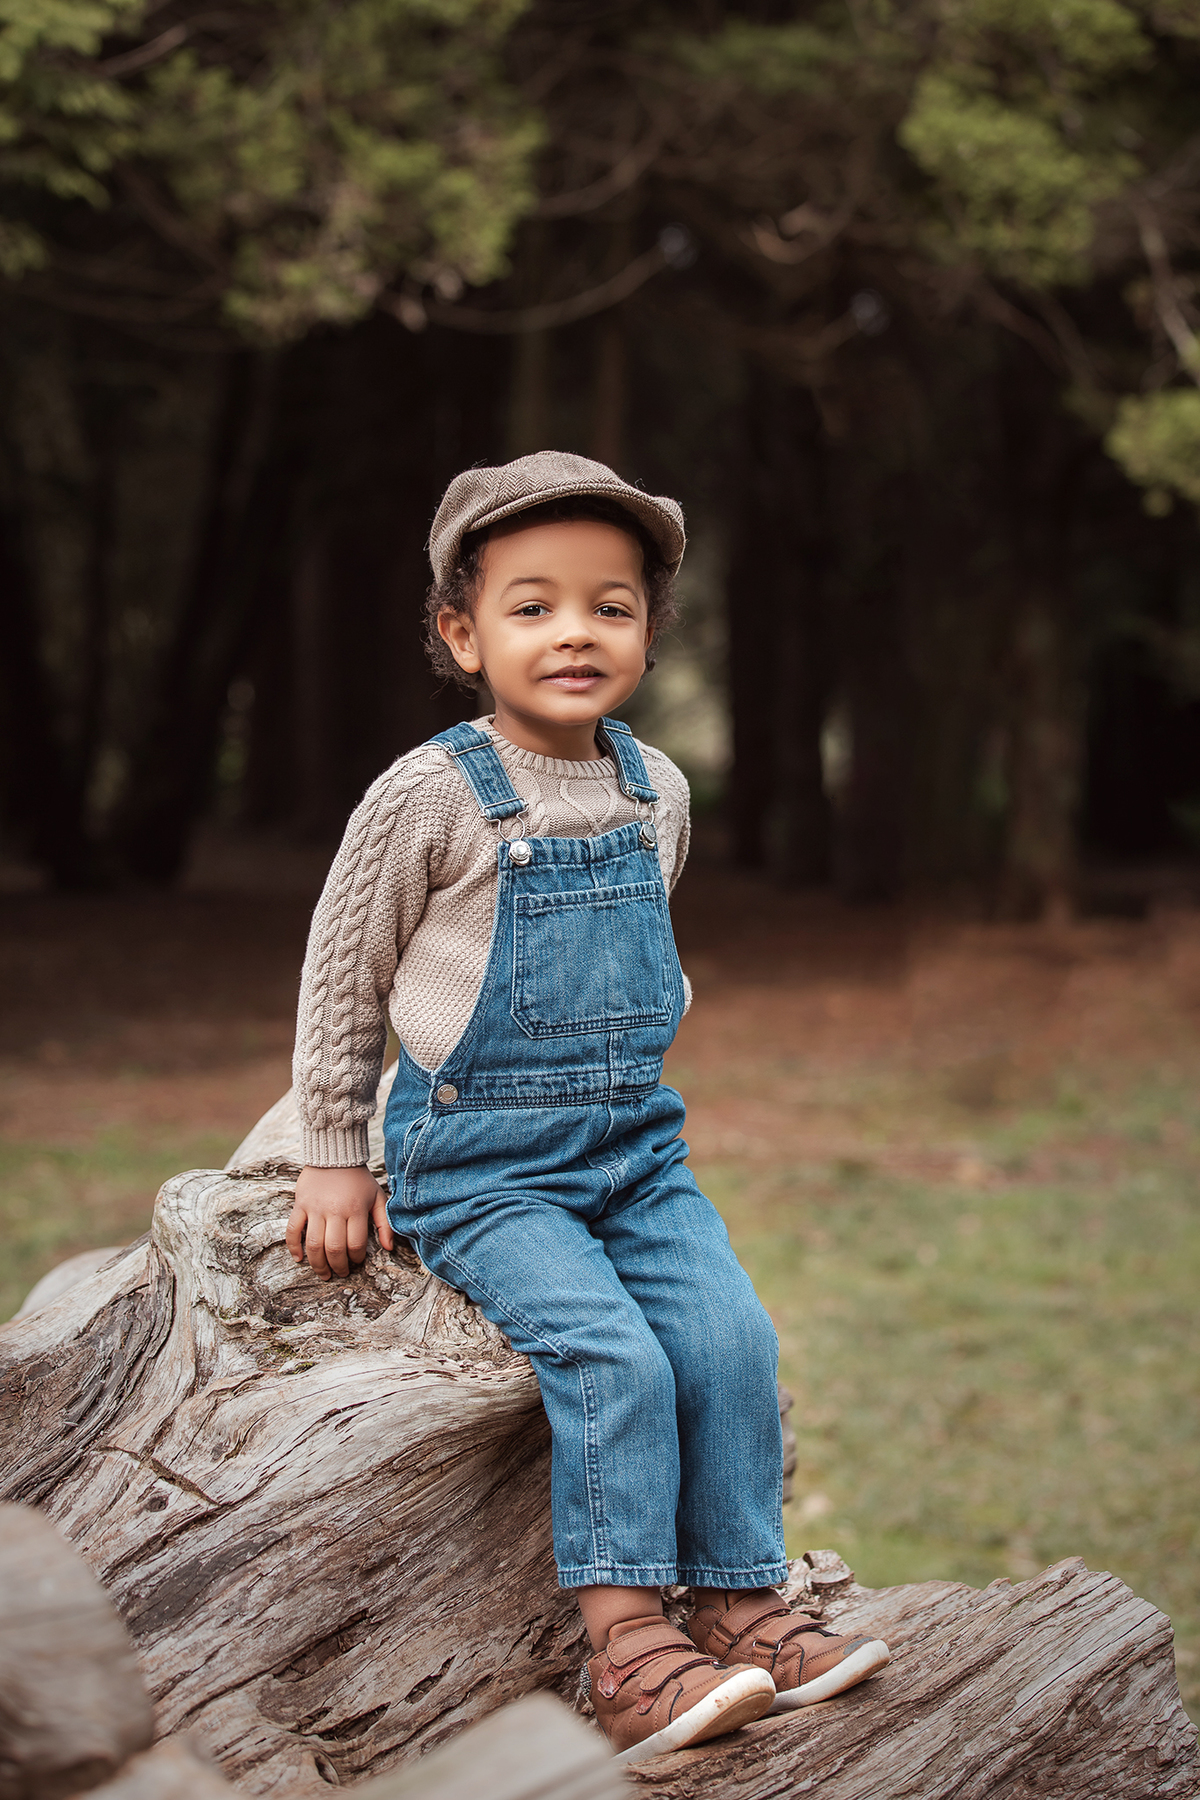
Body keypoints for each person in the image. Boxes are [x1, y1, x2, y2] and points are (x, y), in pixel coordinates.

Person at [286, 451, 890, 1761]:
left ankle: (737, 1603)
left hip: (633, 1150)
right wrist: (333, 1152)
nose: (575, 632)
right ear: (462, 633)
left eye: (610, 607)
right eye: (533, 605)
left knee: (729, 1337)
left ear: (651, 634)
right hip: (483, 1165)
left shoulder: (654, 789)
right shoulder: (432, 794)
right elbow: (347, 970)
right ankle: (628, 1652)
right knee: (612, 1356)